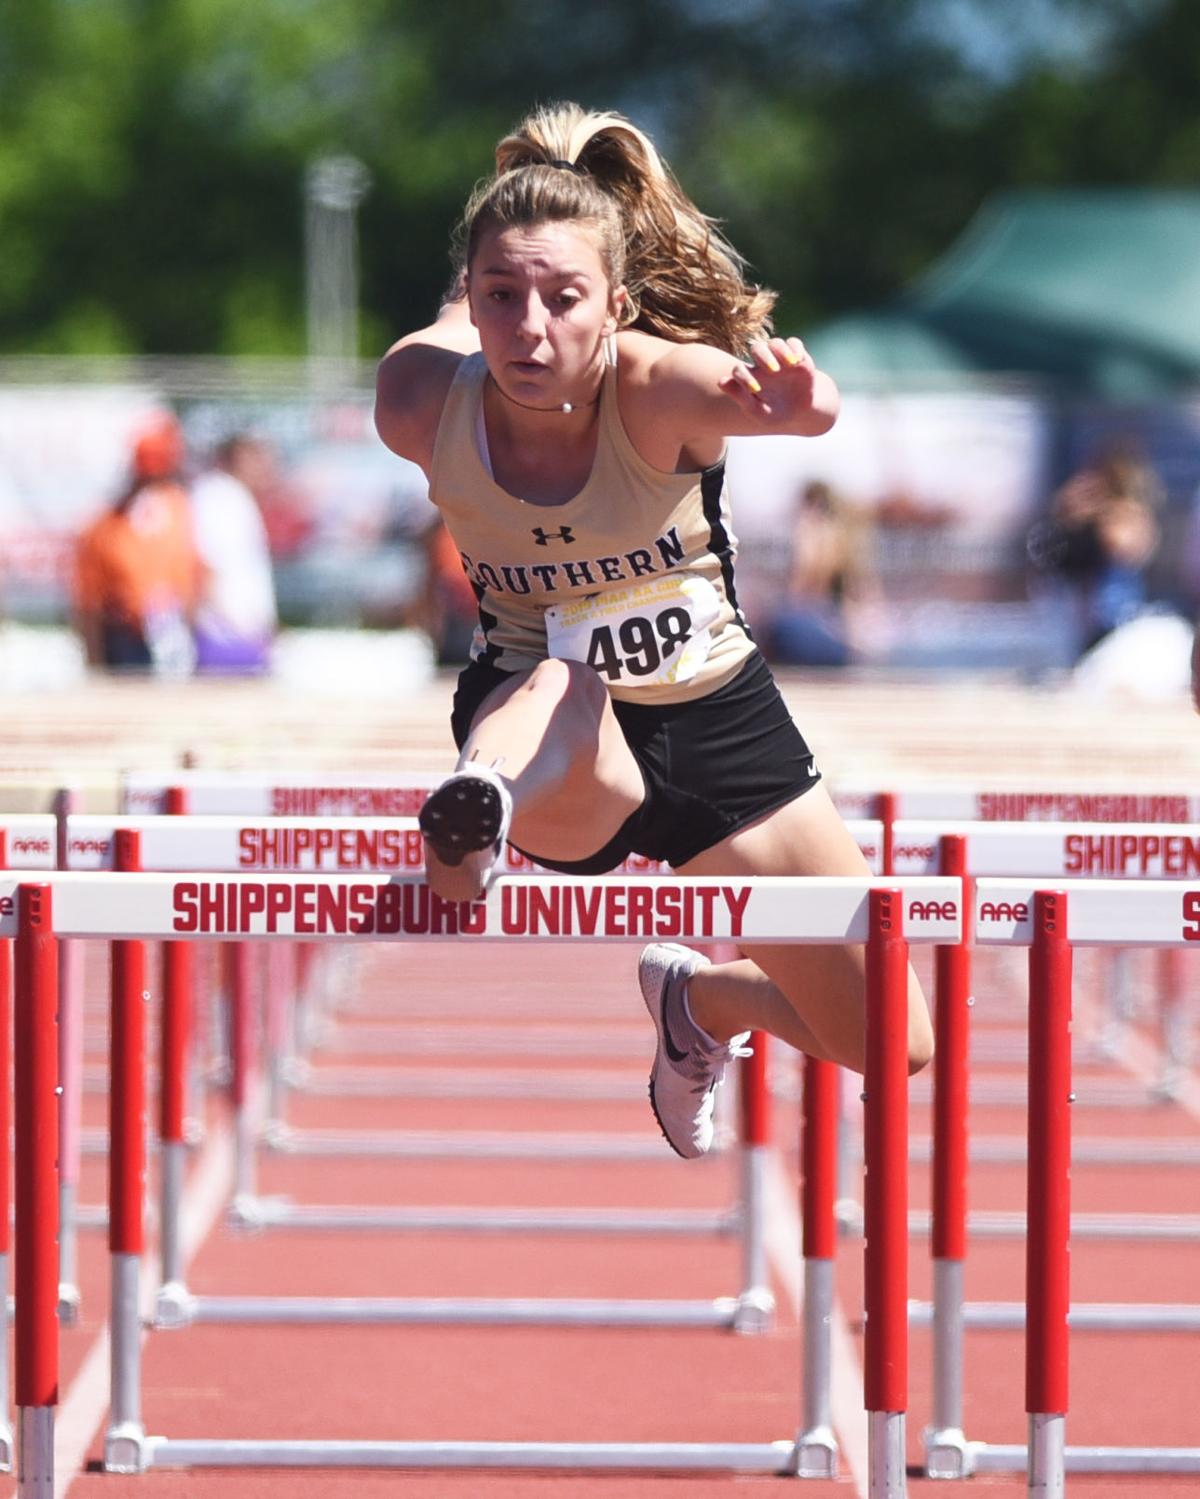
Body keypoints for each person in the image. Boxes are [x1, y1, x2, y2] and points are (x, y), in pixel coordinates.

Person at [375, 103, 932, 1159]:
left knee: (896, 1040)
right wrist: (505, 263)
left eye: (563, 300)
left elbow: (788, 408)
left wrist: (802, 404)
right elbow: (469, 322)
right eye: (501, 298)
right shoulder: (418, 395)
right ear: (470, 301)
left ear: (618, 306)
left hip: (718, 723)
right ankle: (471, 815)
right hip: (551, 741)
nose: (531, 331)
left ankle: (703, 1004)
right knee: (561, 676)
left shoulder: (656, 384)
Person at [74, 413, 202, 674]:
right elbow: (90, 603)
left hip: (172, 632)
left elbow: (193, 577)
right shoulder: (108, 525)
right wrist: (95, 662)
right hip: (125, 636)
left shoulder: (183, 509)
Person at [189, 434, 279, 672]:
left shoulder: (235, 497)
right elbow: (207, 564)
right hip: (225, 634)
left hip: (243, 634)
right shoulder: (219, 496)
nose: (264, 466)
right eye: (255, 457)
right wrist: (232, 627)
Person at [769, 479, 879, 667]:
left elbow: (808, 572)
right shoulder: (842, 536)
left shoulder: (816, 531)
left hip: (815, 622)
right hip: (834, 625)